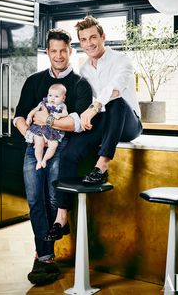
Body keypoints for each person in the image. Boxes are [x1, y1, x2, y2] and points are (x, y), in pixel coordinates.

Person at [44, 15, 143, 242]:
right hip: (103, 123)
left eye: (93, 37)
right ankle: (62, 218)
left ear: (103, 37)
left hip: (128, 122)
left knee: (116, 102)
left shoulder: (121, 60)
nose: (89, 43)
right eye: (84, 39)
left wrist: (94, 107)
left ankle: (102, 165)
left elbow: (115, 89)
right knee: (70, 153)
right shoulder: (84, 68)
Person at [14, 28, 92, 285]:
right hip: (33, 144)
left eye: (63, 50)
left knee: (51, 195)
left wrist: (46, 120)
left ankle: (52, 240)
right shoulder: (34, 81)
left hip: (64, 147)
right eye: (53, 50)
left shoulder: (80, 84)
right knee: (35, 199)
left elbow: (77, 123)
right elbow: (19, 116)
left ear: (71, 51)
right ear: (47, 52)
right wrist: (29, 133)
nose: (58, 56)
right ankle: (45, 257)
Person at [25, 83, 68, 170]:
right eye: (50, 95)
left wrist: (60, 115)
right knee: (38, 144)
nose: (52, 98)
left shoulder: (62, 106)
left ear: (63, 98)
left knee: (54, 145)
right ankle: (39, 160)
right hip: (39, 128)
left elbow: (65, 113)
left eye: (56, 96)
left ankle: (44, 159)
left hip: (53, 130)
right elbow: (34, 111)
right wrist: (29, 117)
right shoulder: (43, 103)